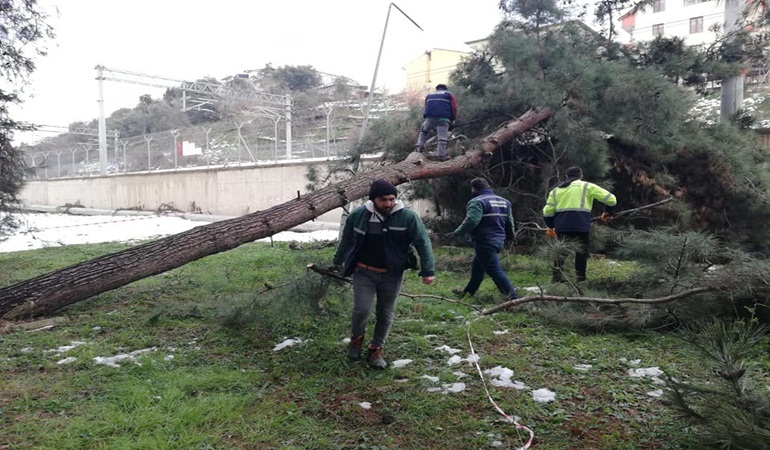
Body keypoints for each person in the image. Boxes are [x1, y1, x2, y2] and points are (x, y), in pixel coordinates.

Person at [333, 179, 435, 369]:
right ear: (373, 200)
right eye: (383, 200)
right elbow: (346, 241)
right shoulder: (358, 216)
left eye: (392, 199)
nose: (388, 204)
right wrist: (337, 261)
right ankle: (356, 341)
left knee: (385, 313)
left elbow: (423, 242)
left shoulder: (408, 217)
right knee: (361, 310)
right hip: (363, 272)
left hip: (392, 274)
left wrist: (427, 270)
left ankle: (375, 350)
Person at [542, 166, 617, 282]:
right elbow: (611, 199)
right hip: (580, 225)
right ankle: (581, 279)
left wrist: (550, 226)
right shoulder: (587, 186)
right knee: (581, 253)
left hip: (562, 226)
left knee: (561, 251)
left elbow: (547, 211)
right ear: (581, 176)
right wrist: (607, 212)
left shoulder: (556, 191)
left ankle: (556, 278)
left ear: (566, 177)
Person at [447, 177, 518, 299]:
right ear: (488, 186)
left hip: (485, 240)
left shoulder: (477, 202)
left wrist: (457, 232)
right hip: (498, 240)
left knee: (495, 271)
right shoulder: (504, 202)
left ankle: (513, 298)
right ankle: (468, 292)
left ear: (473, 189)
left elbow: (472, 221)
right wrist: (511, 237)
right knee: (478, 268)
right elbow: (510, 222)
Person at [415, 83, 457, 162]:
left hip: (429, 118)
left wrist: (426, 117)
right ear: (445, 89)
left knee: (423, 131)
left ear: (437, 89)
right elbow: (454, 107)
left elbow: (426, 107)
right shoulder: (449, 94)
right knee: (442, 138)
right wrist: (452, 120)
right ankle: (441, 156)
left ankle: (419, 149)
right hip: (443, 119)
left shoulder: (429, 95)